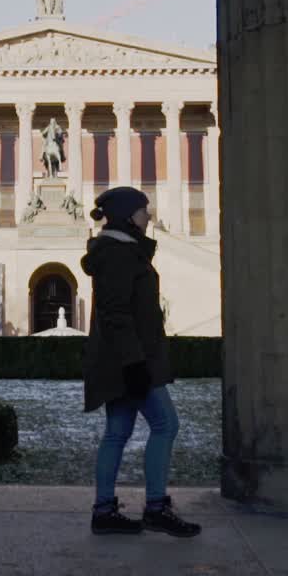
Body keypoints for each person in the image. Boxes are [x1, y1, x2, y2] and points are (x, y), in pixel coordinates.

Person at [79, 186, 200, 538]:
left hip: (122, 358)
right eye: (143, 211)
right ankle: (156, 507)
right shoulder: (118, 254)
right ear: (127, 216)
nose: (149, 216)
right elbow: (116, 313)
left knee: (117, 433)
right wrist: (134, 364)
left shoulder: (122, 250)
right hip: (130, 360)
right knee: (166, 425)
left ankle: (104, 511)